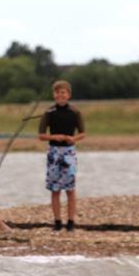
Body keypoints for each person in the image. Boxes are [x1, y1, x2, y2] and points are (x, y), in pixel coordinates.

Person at [38, 80, 85, 231]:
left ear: (68, 95)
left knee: (70, 188)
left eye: (63, 92)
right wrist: (54, 137)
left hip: (69, 152)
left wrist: (74, 139)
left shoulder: (75, 112)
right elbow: (41, 135)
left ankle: (71, 221)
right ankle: (57, 221)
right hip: (53, 152)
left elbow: (83, 133)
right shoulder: (49, 112)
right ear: (54, 95)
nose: (60, 95)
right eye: (57, 92)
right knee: (55, 189)